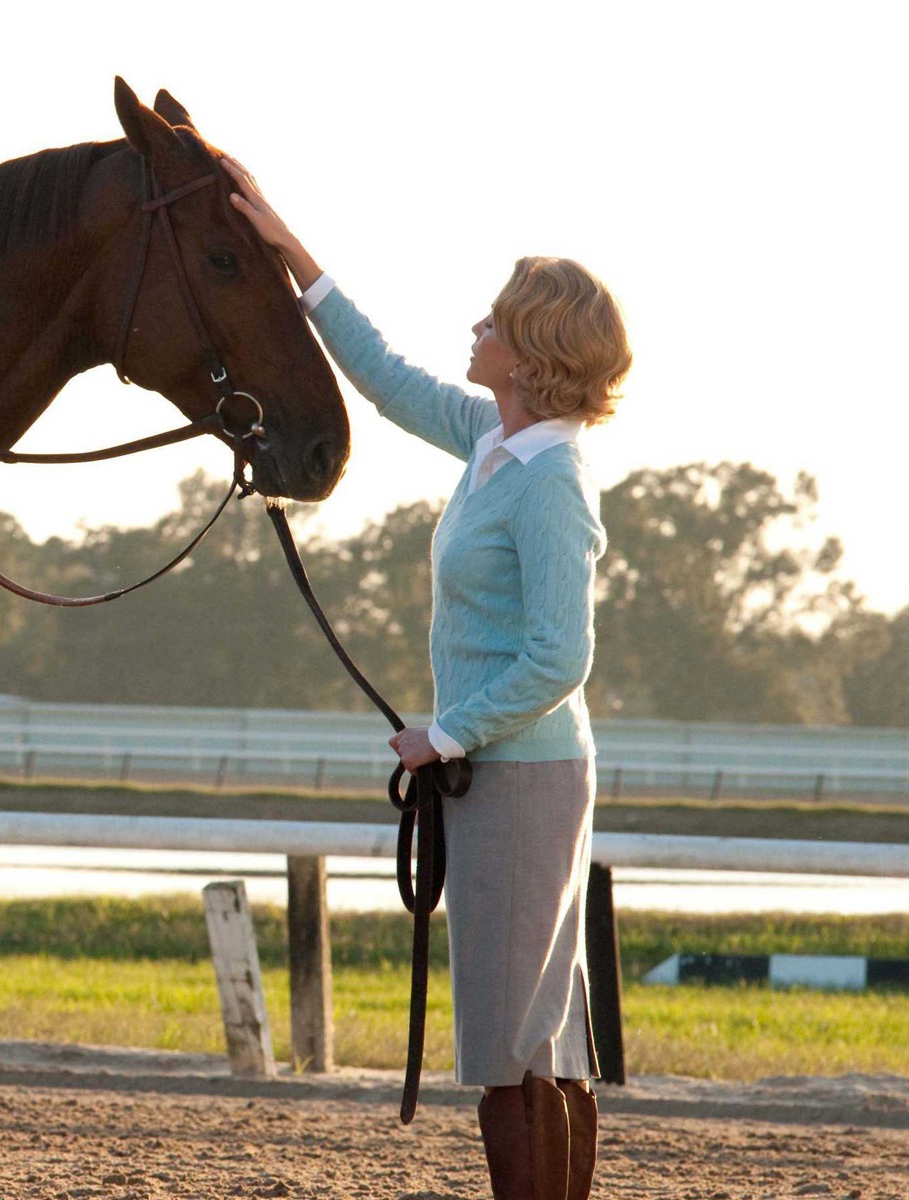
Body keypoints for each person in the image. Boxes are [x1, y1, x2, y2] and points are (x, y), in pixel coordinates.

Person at [224, 158, 632, 1200]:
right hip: (522, 772)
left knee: (507, 1043)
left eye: (495, 321)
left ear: (534, 351)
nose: (477, 328)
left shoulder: (549, 484)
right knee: (547, 1036)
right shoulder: (496, 441)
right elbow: (386, 373)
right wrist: (290, 254)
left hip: (518, 775)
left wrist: (447, 735)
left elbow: (559, 657)